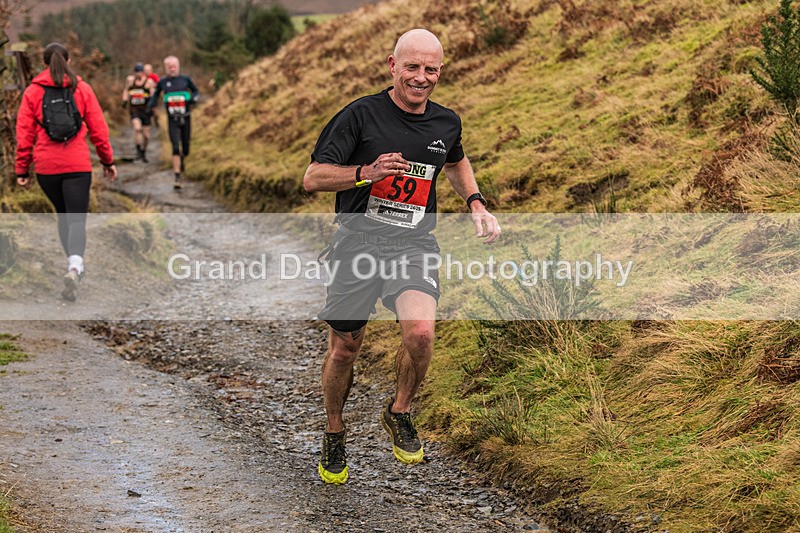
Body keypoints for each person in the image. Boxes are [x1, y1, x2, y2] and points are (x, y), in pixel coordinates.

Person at [303, 28, 500, 485]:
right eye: (412, 66)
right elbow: (313, 178)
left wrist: (475, 203)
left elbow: (453, 160)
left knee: (422, 335)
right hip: (356, 244)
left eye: (431, 69)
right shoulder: (359, 116)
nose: (421, 77)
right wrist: (363, 173)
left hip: (412, 244)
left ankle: (400, 411)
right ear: (393, 66)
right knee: (345, 347)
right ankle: (335, 430)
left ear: (440, 72)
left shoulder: (446, 122)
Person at [15, 42, 118, 301]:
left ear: (45, 63)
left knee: (63, 215)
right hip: (77, 165)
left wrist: (22, 169)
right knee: (76, 218)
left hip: (46, 167)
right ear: (69, 62)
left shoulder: (32, 92)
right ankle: (75, 266)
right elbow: (98, 130)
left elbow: (24, 134)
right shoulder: (82, 89)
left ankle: (71, 264)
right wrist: (107, 160)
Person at [147, 55, 198, 190]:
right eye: (169, 67)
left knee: (185, 147)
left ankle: (182, 159)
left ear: (178, 66)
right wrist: (151, 106)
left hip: (186, 117)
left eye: (174, 66)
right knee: (175, 147)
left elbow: (195, 91)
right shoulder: (163, 82)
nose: (172, 69)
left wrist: (194, 98)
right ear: (166, 68)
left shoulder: (185, 80)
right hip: (172, 119)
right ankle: (177, 177)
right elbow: (156, 96)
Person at [121, 62, 156, 162]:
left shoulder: (148, 82)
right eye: (137, 72)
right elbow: (126, 90)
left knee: (146, 135)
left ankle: (144, 151)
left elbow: (154, 94)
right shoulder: (130, 81)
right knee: (137, 129)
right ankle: (138, 150)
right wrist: (124, 101)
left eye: (140, 72)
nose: (138, 74)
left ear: (143, 72)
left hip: (146, 111)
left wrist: (152, 102)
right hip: (134, 109)